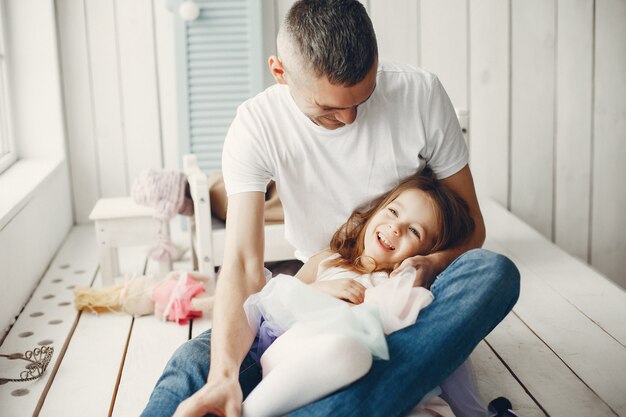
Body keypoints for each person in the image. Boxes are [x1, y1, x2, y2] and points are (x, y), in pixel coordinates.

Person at [141, 1, 520, 416]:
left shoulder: (421, 94)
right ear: (280, 72)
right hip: (308, 313)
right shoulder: (256, 126)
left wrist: (429, 265)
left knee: (493, 272)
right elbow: (245, 265)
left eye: (365, 95)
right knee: (193, 364)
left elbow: (472, 227)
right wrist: (224, 376)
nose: (352, 117)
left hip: (396, 319)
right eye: (329, 108)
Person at [241, 169, 478, 417]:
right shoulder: (329, 261)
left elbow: (436, 351)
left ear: (427, 252)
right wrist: (318, 291)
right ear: (376, 210)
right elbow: (273, 303)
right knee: (349, 350)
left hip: (356, 386)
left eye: (414, 231)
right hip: (297, 358)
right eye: (393, 212)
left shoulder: (404, 287)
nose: (396, 228)